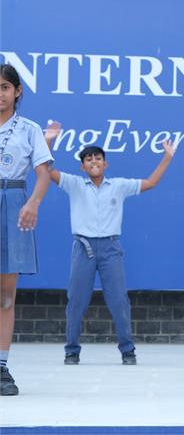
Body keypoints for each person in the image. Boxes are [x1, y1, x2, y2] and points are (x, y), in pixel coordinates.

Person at [44, 122, 175, 365]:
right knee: (76, 301)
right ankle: (71, 351)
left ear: (106, 164)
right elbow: (47, 170)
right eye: (89, 159)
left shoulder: (119, 186)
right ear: (82, 166)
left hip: (111, 249)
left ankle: (128, 350)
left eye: (98, 158)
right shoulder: (74, 184)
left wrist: (167, 157)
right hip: (83, 248)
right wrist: (49, 141)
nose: (94, 162)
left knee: (119, 300)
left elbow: (151, 182)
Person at [0, 64, 52, 396]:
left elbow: (44, 173)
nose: (0, 94)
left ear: (17, 91)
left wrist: (33, 202)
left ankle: (1, 367)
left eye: (5, 87)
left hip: (14, 204)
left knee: (6, 295)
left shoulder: (29, 129)